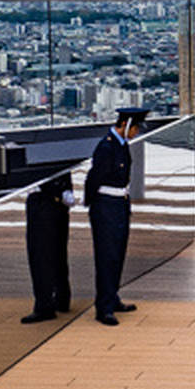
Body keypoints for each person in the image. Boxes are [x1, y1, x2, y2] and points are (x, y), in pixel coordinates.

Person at [84, 107, 148, 326]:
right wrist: (95, 206)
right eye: (136, 128)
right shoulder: (107, 147)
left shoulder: (121, 146)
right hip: (106, 206)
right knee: (106, 257)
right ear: (126, 125)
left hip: (119, 204)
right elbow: (94, 179)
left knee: (117, 254)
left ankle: (113, 297)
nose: (136, 133)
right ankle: (104, 307)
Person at [20, 171, 74, 324]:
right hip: (60, 201)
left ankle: (44, 306)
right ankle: (62, 298)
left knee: (40, 255)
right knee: (58, 252)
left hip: (43, 201)